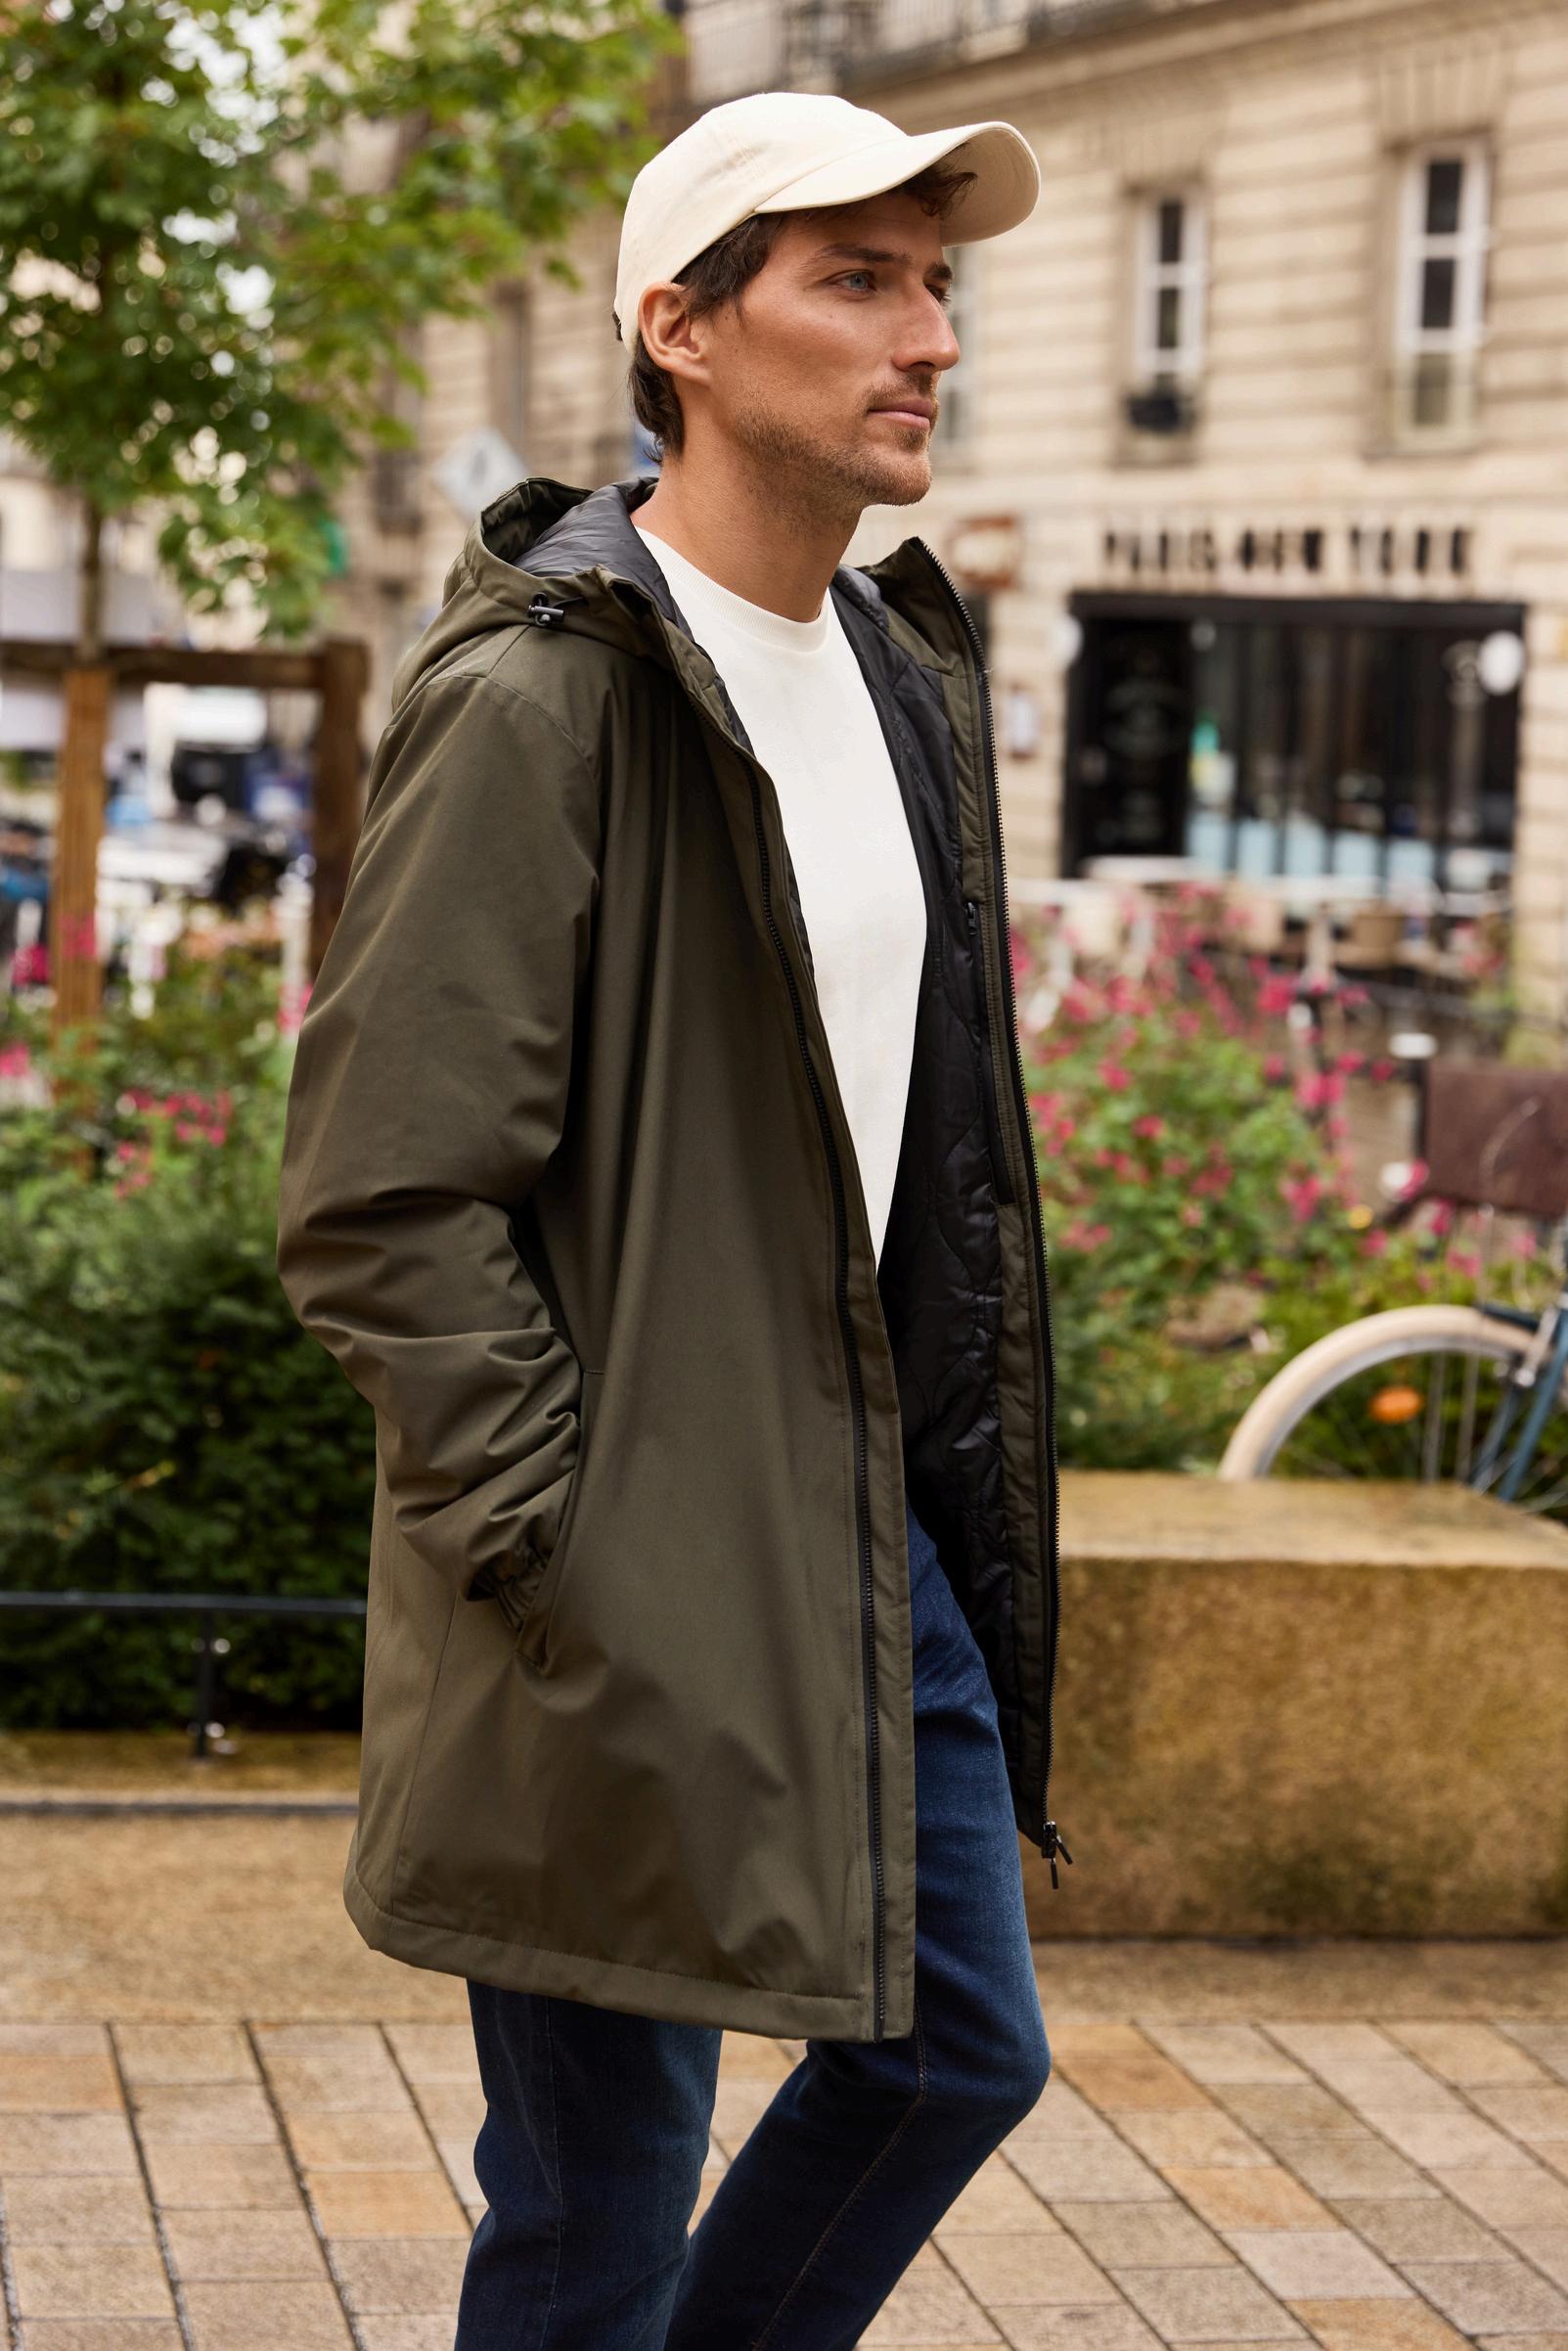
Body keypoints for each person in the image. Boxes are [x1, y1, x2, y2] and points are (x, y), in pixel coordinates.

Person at [275, 85, 1068, 2350]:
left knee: (953, 2052)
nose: (927, 336)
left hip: (861, 1535)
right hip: (613, 1565)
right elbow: (381, 1193)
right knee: (599, 2213)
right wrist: (564, 1539)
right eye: (858, 280)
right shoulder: (545, 692)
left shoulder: (903, 674)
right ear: (682, 329)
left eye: (937, 285)